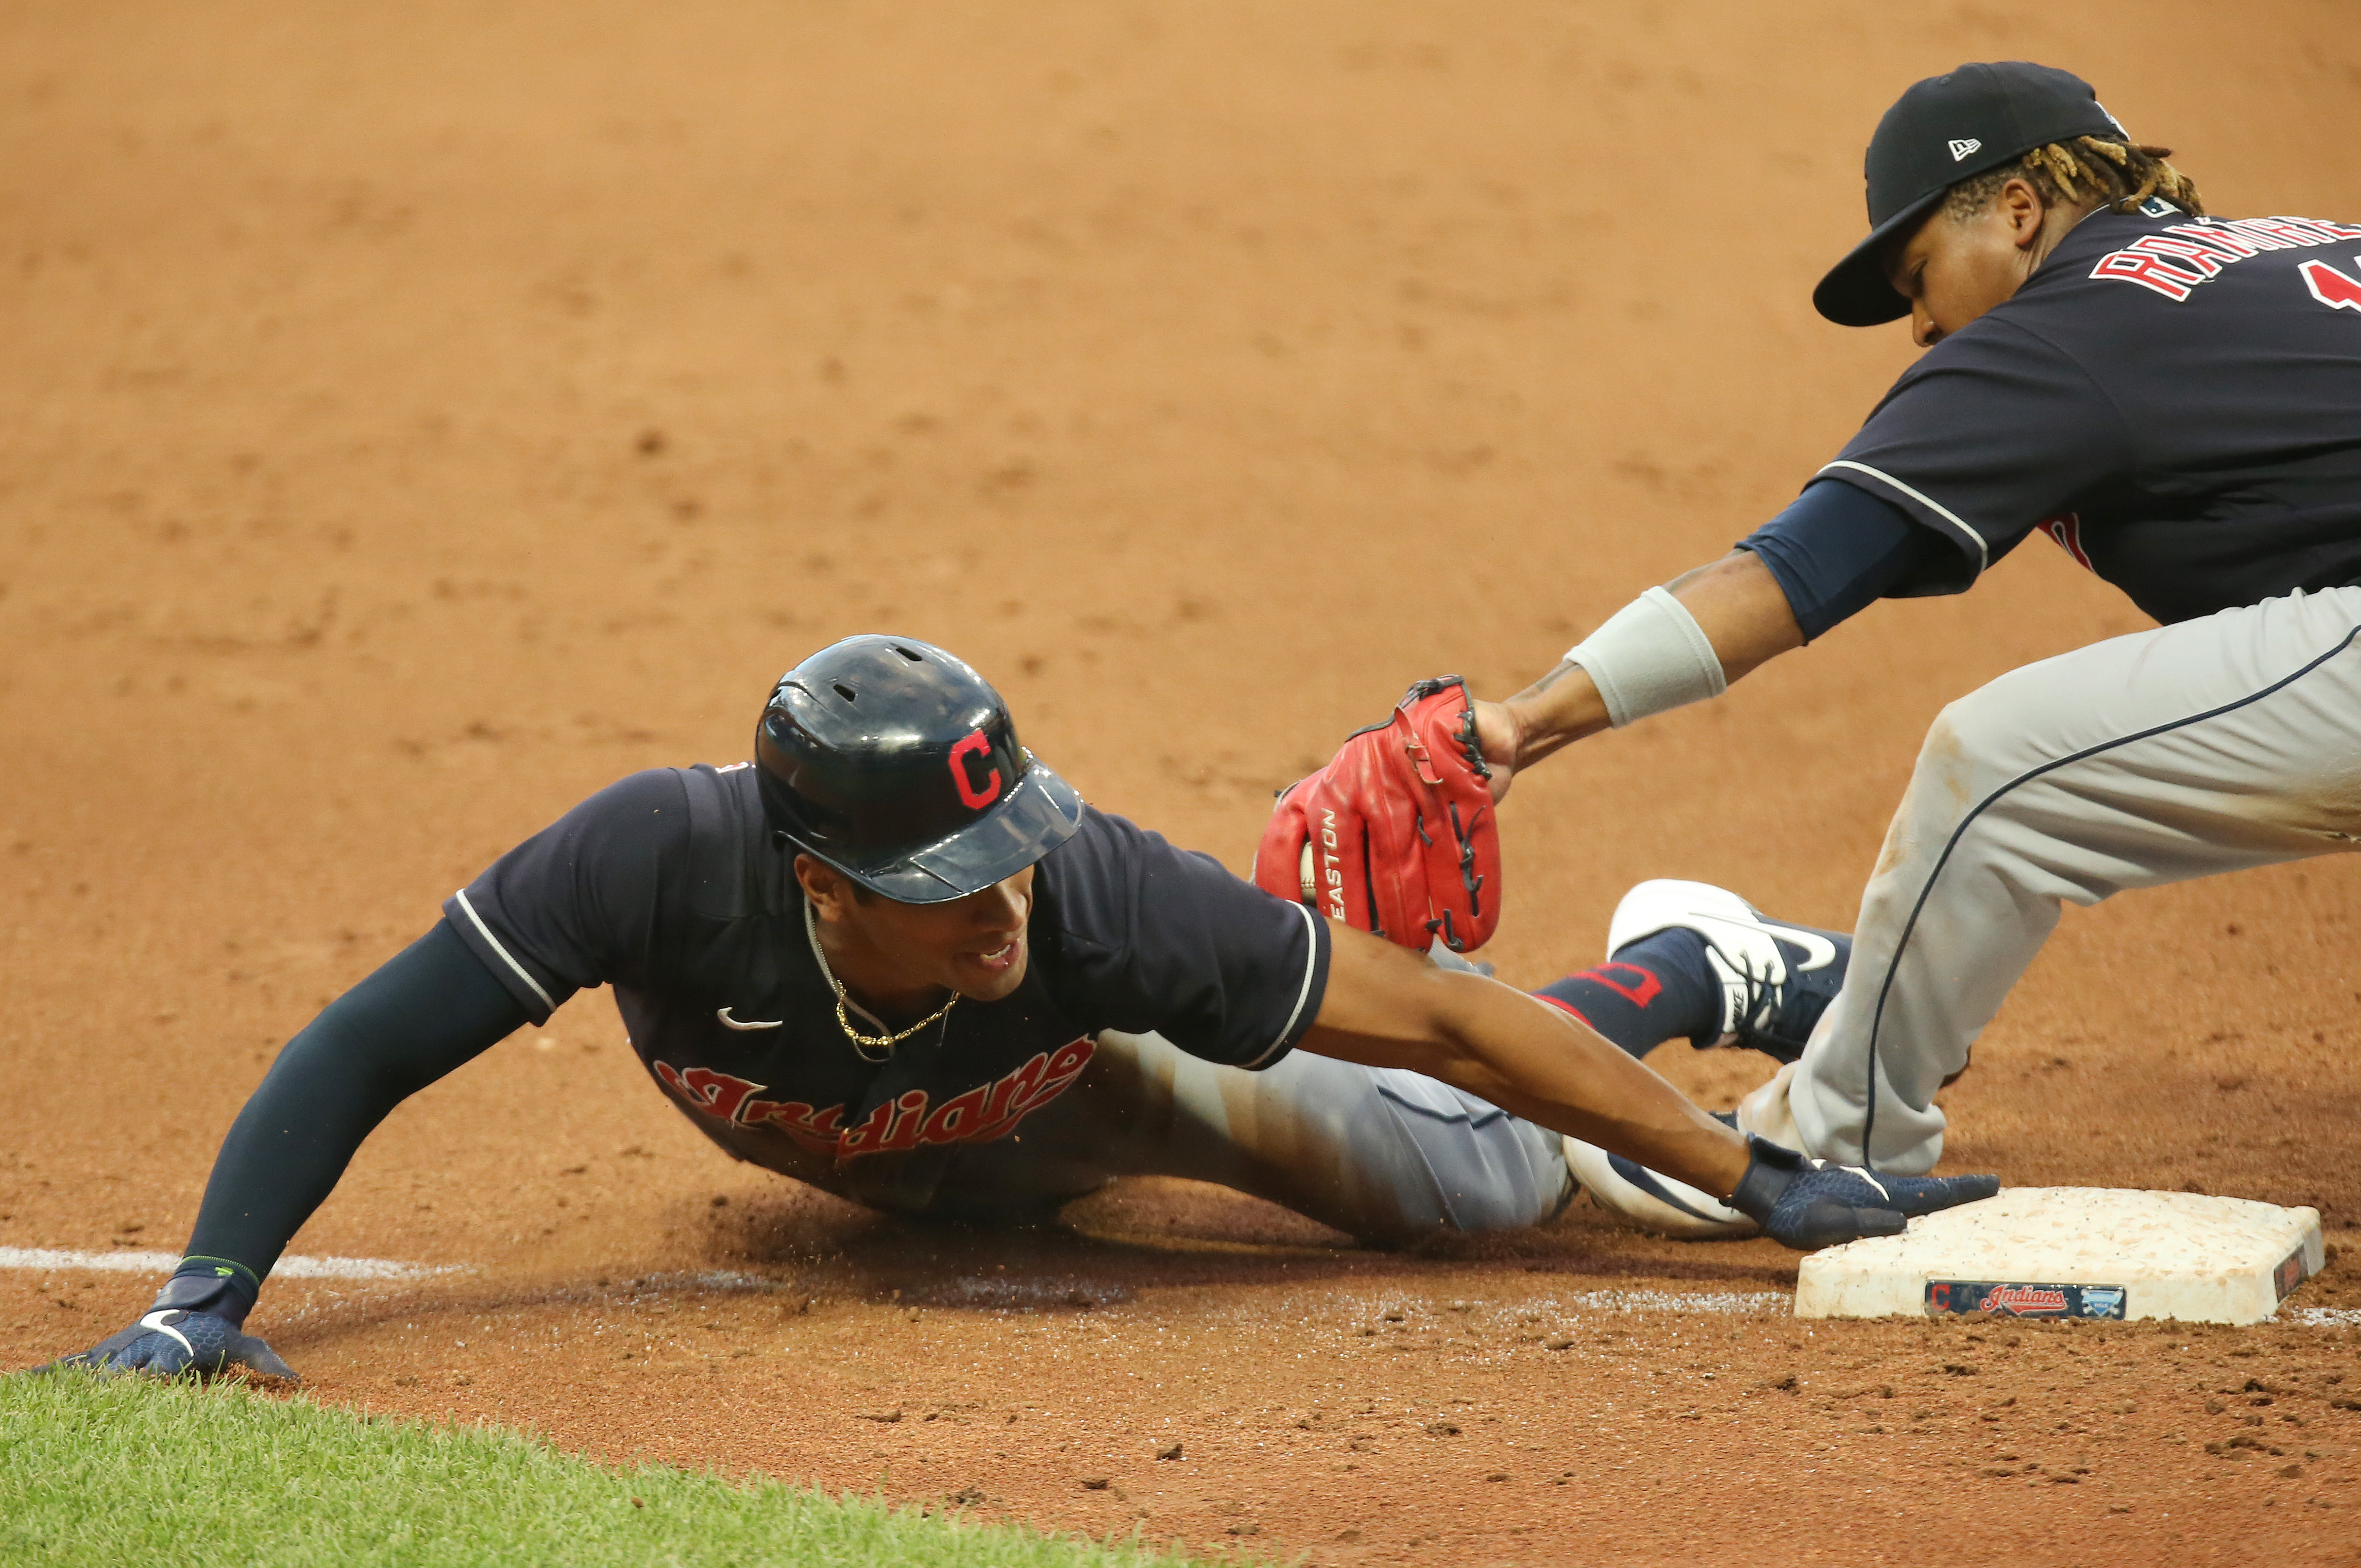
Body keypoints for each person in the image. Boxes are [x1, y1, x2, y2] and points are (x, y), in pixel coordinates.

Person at [42, 636, 1990, 1380]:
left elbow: (1437, 1022)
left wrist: (1749, 1172)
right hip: (916, 1167)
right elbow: (365, 1041)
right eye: (933, 889)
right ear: (814, 880)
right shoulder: (647, 861)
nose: (996, 910)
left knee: (1474, 1190)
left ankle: (1679, 959)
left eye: (1008, 858)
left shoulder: (1095, 910)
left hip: (1097, 1105)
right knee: (954, 1176)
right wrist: (198, 1297)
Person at [1461, 62, 2361, 1235]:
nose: (1926, 325)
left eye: (1922, 271)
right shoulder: (2286, 250)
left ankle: (1831, 1137)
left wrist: (1527, 720)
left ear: (2021, 210)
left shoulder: (2072, 324)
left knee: (1999, 765)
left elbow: (1797, 569)